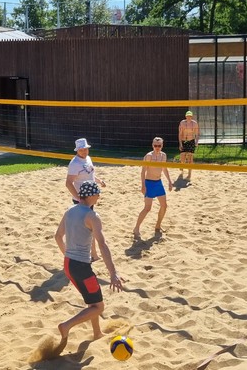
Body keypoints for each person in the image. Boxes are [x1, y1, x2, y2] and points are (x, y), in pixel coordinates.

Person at [54, 181, 124, 348]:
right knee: (99, 307)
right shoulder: (92, 216)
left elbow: (57, 237)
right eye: (97, 193)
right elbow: (102, 245)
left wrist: (68, 255)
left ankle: (97, 333)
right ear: (91, 195)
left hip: (69, 264)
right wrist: (113, 273)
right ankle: (66, 325)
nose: (99, 196)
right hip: (81, 267)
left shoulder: (69, 210)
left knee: (92, 302)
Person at [65, 138, 106, 259]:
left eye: (85, 149)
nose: (84, 151)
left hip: (90, 198)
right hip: (81, 200)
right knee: (87, 227)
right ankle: (91, 253)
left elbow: (90, 174)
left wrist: (99, 181)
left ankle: (93, 253)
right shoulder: (75, 164)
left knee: (90, 226)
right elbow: (68, 183)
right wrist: (78, 198)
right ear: (77, 150)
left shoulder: (87, 158)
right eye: (81, 150)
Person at [133, 137, 172, 239]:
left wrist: (169, 181)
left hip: (158, 183)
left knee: (164, 206)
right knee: (147, 208)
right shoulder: (149, 156)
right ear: (152, 145)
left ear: (162, 145)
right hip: (149, 183)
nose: (157, 147)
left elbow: (164, 169)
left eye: (159, 145)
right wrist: (143, 185)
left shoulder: (163, 155)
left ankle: (158, 226)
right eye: (155, 145)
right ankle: (136, 228)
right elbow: (143, 171)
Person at [178, 111, 199, 180]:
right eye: (187, 116)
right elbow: (180, 134)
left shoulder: (194, 123)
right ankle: (182, 166)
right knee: (182, 158)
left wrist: (196, 141)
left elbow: (197, 134)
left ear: (192, 116)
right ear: (185, 116)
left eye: (190, 116)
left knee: (190, 159)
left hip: (191, 141)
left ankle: (189, 174)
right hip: (183, 141)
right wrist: (180, 144)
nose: (189, 117)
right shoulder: (182, 123)